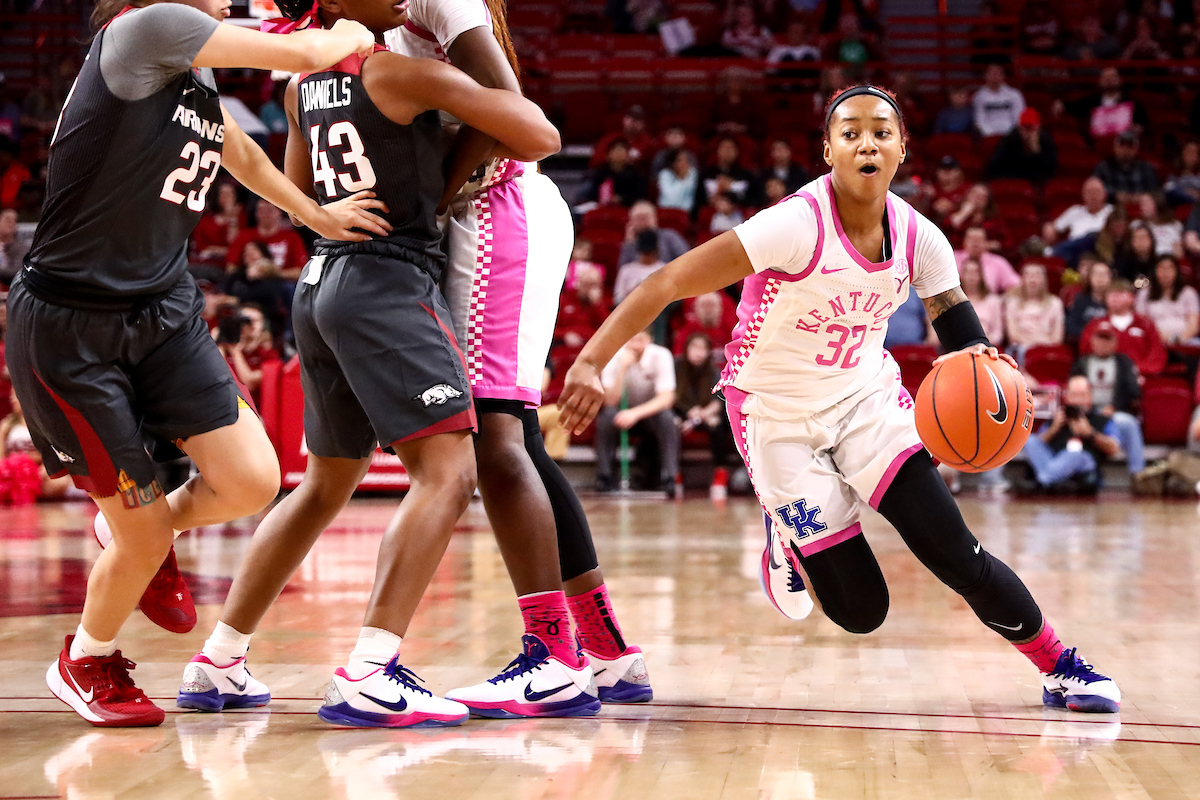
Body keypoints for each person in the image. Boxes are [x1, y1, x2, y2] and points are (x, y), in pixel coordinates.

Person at [558, 84, 1120, 713]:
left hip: (865, 404)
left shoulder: (921, 238)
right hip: (776, 419)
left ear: (902, 148)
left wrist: (991, 382)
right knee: (861, 611)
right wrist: (589, 361)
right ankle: (785, 534)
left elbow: (958, 327)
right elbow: (667, 281)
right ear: (828, 151)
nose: (866, 142)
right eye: (849, 132)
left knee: (953, 549)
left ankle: (1060, 665)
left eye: (881, 131)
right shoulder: (793, 225)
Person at [174, 0, 574, 729]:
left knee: (323, 485)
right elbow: (538, 133)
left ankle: (220, 660)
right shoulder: (400, 72)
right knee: (449, 474)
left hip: (321, 281)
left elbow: (298, 199)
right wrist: (461, 141)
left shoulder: (298, 88)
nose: (396, 2)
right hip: (389, 284)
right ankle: (371, 668)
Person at [8, 0, 388, 728]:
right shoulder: (149, 28)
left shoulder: (190, 69)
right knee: (145, 532)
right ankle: (85, 657)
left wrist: (314, 214)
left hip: (162, 307)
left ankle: (136, 537)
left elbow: (233, 149)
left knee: (253, 479)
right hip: (71, 324)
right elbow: (308, 56)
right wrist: (351, 29)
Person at [390, 0, 652, 710]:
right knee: (518, 441)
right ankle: (603, 651)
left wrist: (438, 198)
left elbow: (510, 108)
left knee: (497, 438)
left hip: (495, 207)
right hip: (499, 214)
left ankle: (551, 653)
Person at [594, 329, 679, 493]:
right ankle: (604, 476)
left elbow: (666, 398)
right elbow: (610, 400)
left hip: (649, 413)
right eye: (630, 339)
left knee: (667, 418)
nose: (635, 345)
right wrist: (622, 370)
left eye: (639, 340)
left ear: (649, 340)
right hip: (621, 412)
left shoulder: (661, 355)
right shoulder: (614, 356)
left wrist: (635, 414)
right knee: (606, 417)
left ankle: (670, 477)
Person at [1017, 376, 1121, 493]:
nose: (1077, 401)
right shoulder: (1058, 416)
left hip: (1083, 458)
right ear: (1067, 396)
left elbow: (1114, 447)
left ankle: (1044, 479)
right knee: (1030, 440)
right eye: (1074, 395)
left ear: (1090, 396)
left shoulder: (1101, 418)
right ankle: (1050, 478)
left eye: (1082, 395)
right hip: (1055, 457)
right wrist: (1053, 429)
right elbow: (1039, 443)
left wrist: (1090, 433)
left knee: (1073, 454)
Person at [1069, 328, 1145, 479]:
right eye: (1099, 339)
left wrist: (1115, 407)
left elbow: (1134, 391)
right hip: (1085, 411)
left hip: (1114, 412)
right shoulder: (1082, 362)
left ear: (1114, 343)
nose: (1103, 344)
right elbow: (1072, 388)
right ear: (1093, 341)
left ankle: (1138, 474)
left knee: (1130, 423)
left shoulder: (1123, 362)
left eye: (1107, 339)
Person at [674, 333, 735, 493]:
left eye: (702, 348)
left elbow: (717, 401)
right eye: (694, 348)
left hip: (706, 416)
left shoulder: (714, 371)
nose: (698, 352)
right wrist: (688, 413)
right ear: (686, 349)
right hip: (682, 413)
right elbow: (672, 397)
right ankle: (672, 473)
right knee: (669, 424)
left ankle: (721, 472)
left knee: (718, 425)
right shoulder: (676, 368)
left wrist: (702, 415)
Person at [1079, 279, 1166, 377]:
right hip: (1103, 377)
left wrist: (1137, 369)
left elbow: (1156, 354)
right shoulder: (1094, 325)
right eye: (1110, 294)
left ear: (1132, 298)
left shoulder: (1145, 324)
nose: (1114, 297)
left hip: (1141, 377)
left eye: (1120, 293)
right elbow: (1086, 352)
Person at [226, 200, 309, 281]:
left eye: (270, 210)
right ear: (256, 213)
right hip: (250, 283)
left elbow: (301, 271)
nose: (266, 214)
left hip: (282, 284)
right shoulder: (244, 236)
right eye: (262, 210)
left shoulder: (292, 237)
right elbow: (231, 267)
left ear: (279, 212)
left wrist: (270, 274)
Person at [1044, 176, 1113, 266]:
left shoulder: (1111, 212)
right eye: (1089, 192)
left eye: (1096, 192)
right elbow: (1054, 227)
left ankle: (1053, 251)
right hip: (1075, 254)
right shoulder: (1075, 211)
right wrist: (1049, 228)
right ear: (1083, 195)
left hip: (1100, 252)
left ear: (1104, 194)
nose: (1093, 196)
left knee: (1092, 236)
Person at [1004, 262, 1064, 358]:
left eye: (1037, 275)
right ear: (1022, 279)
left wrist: (1039, 343)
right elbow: (1013, 336)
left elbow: (1057, 338)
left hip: (1047, 349)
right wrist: (1036, 341)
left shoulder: (1055, 303)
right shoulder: (1012, 303)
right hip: (1021, 349)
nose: (1033, 280)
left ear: (1044, 280)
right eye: (1028, 275)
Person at [1136, 255, 1200, 345]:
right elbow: (1141, 321)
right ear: (1155, 271)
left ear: (1177, 271)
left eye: (1170, 268)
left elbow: (1194, 324)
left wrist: (1179, 339)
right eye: (1161, 268)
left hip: (1185, 340)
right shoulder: (1145, 293)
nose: (1165, 273)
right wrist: (1159, 337)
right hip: (1153, 339)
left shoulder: (1188, 292)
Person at [985, 107, 1057, 182]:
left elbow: (1050, 170)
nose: (1027, 133)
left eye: (1031, 128)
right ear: (1019, 127)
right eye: (1024, 128)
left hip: (1037, 181)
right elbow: (994, 167)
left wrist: (1036, 151)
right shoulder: (1010, 139)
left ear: (1038, 127)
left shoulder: (1046, 140)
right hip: (1014, 179)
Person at [1093, 131, 1160, 205]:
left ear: (1136, 149)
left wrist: (1140, 197)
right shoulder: (1103, 167)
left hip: (1141, 209)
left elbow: (1155, 190)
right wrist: (1115, 196)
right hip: (1111, 208)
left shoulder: (1145, 168)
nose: (1125, 149)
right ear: (1115, 147)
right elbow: (1094, 190)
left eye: (1130, 146)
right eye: (1122, 145)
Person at [620, 200, 690, 266]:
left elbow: (686, 260)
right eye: (638, 218)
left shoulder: (670, 236)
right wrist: (629, 244)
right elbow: (624, 270)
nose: (642, 222)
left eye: (645, 217)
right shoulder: (631, 243)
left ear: (655, 218)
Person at [954, 225, 1019, 294]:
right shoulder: (952, 259)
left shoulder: (998, 262)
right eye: (972, 240)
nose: (975, 244)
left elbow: (1016, 285)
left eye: (979, 240)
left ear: (986, 242)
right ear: (964, 242)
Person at [959, 258, 1004, 345]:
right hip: (961, 347)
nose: (971, 276)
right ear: (961, 275)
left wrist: (983, 343)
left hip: (987, 346)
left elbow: (998, 333)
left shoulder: (993, 301)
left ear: (981, 275)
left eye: (975, 272)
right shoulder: (954, 302)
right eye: (967, 272)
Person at [1065, 259, 1112, 343]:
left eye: (1104, 274)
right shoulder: (1080, 300)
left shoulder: (1114, 301)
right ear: (1089, 277)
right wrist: (1091, 335)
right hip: (1085, 342)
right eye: (1096, 274)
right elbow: (1071, 326)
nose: (1100, 278)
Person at [973, 64, 1025, 138]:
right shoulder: (979, 96)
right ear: (986, 76)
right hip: (988, 135)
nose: (995, 77)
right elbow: (979, 118)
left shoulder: (1014, 94)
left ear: (1003, 76)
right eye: (992, 74)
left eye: (998, 74)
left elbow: (1019, 116)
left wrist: (1011, 133)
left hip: (1010, 134)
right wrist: (989, 133)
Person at [615, 229, 665, 305]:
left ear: (656, 251)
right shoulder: (626, 269)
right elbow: (618, 298)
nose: (647, 256)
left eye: (649, 253)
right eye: (644, 253)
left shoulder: (664, 269)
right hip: (630, 308)